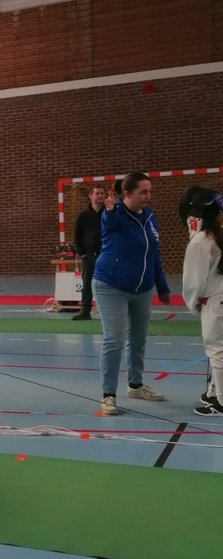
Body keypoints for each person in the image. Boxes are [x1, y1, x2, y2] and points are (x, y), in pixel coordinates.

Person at [92, 172, 170, 415]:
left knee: (138, 339)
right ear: (127, 194)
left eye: (149, 191)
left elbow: (154, 254)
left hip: (142, 289)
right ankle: (108, 394)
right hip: (111, 285)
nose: (148, 196)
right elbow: (109, 222)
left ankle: (135, 386)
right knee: (114, 340)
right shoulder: (115, 212)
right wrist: (110, 210)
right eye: (143, 192)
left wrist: (162, 286)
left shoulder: (150, 217)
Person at [180, 186, 223, 416]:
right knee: (219, 349)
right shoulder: (218, 233)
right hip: (219, 298)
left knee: (216, 350)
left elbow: (194, 281)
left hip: (215, 301)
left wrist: (194, 303)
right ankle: (214, 392)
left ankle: (221, 402)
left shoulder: (200, 242)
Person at [72, 185, 105, 320]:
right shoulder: (83, 216)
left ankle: (108, 311)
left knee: (109, 283)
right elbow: (77, 236)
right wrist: (82, 254)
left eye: (102, 193)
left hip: (106, 255)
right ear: (90, 196)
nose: (100, 195)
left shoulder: (109, 213)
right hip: (88, 256)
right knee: (87, 284)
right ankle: (85, 310)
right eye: (97, 193)